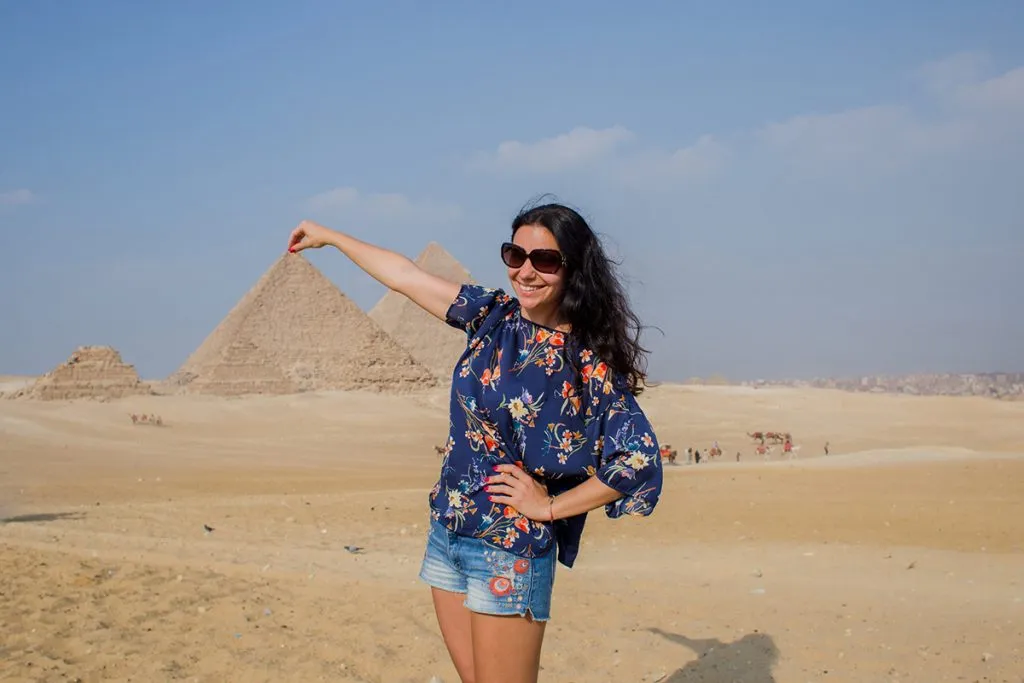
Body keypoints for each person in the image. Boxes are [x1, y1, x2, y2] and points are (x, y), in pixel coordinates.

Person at [287, 202, 663, 683]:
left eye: (545, 261)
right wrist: (331, 237)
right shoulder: (492, 316)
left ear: (574, 270)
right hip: (448, 531)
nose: (526, 272)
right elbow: (404, 276)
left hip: (507, 547)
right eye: (515, 255)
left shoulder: (585, 365)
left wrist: (549, 508)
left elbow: (639, 462)